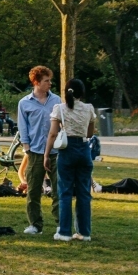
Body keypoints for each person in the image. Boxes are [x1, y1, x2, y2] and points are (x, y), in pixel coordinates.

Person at [48, 77, 98, 242]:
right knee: (84, 193)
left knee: (65, 192)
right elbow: (90, 133)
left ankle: (64, 232)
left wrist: (46, 154)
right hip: (83, 150)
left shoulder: (59, 109)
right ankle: (84, 232)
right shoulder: (89, 109)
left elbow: (53, 134)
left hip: (67, 150)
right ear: (82, 93)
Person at [16, 65, 63, 235]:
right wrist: (27, 148)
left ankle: (61, 224)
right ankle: (35, 225)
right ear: (36, 82)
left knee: (59, 189)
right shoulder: (24, 103)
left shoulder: (56, 101)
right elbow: (23, 127)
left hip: (56, 152)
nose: (50, 83)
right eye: (47, 80)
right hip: (35, 152)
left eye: (50, 80)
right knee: (34, 189)